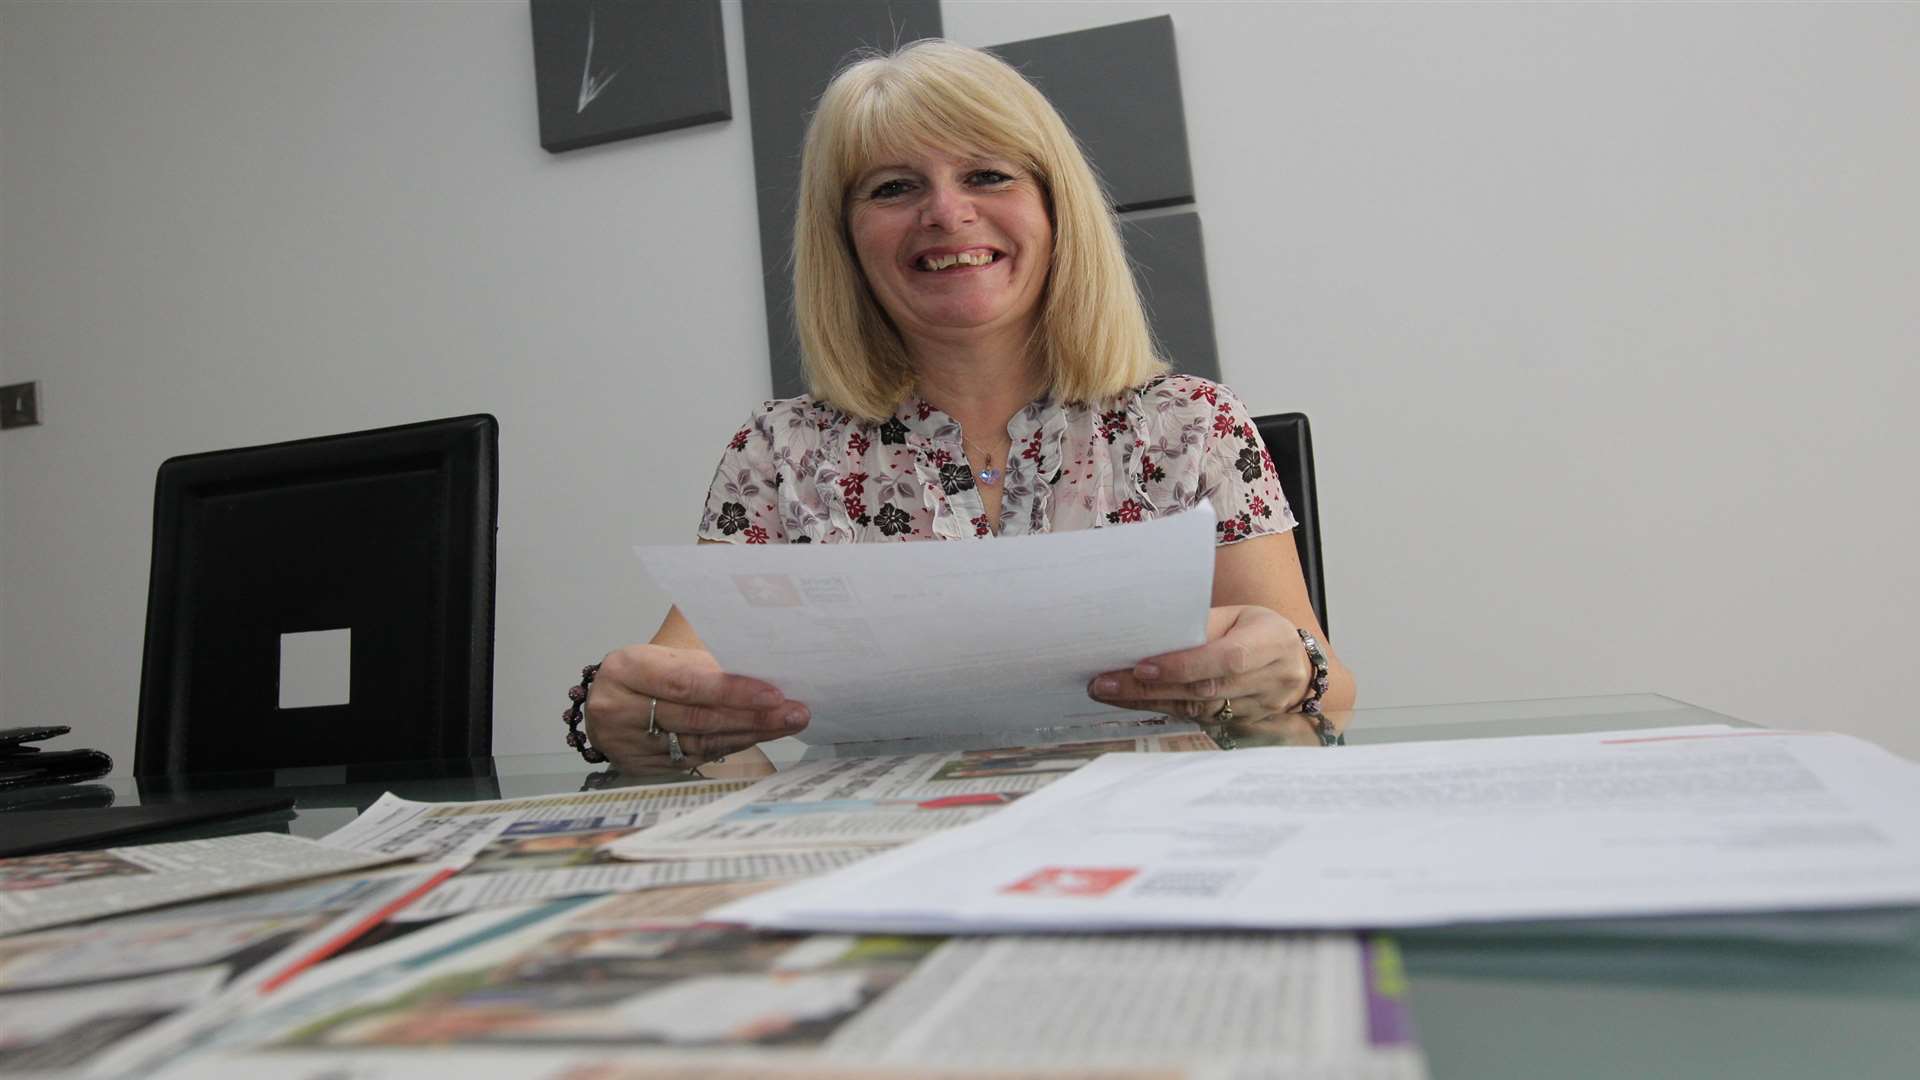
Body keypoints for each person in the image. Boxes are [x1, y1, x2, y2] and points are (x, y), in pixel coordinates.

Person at [569, 40, 1354, 775]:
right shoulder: (781, 450)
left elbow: (1330, 692)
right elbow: (687, 690)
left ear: (1056, 212)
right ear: (845, 238)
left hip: (1145, 850)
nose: (945, 213)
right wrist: (636, 710)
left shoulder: (1195, 424)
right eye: (894, 188)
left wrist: (1287, 674)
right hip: (873, 859)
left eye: (987, 175)